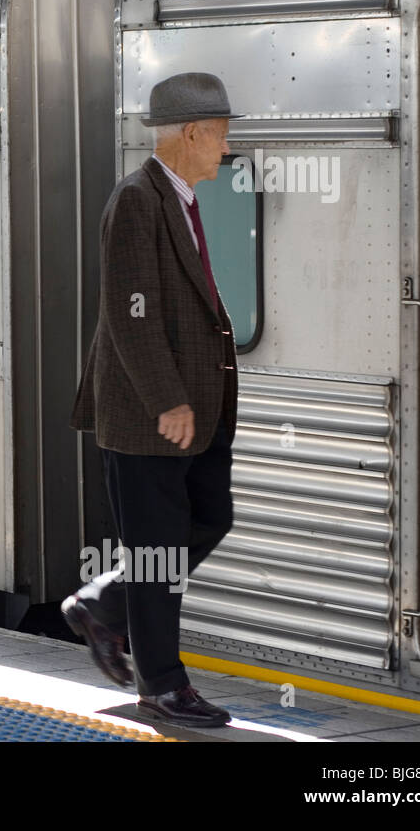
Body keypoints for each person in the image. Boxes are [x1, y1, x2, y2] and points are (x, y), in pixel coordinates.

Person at [65, 72, 241, 727]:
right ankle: (161, 685)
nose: (225, 150)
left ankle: (102, 605)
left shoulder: (183, 199)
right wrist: (168, 400)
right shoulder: (137, 201)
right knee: (158, 552)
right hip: (149, 415)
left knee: (210, 515)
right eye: (220, 137)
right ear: (191, 133)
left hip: (200, 408)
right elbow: (131, 316)